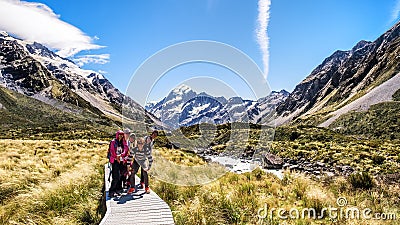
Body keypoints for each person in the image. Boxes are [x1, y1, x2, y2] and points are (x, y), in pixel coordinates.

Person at [108, 130, 129, 197]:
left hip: (121, 160)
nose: (121, 136)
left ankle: (118, 189)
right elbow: (112, 151)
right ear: (117, 135)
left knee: (120, 175)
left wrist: (121, 155)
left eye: (122, 135)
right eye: (119, 134)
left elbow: (126, 149)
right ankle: (112, 190)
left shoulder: (123, 142)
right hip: (115, 161)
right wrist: (116, 157)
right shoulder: (113, 142)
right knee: (115, 176)